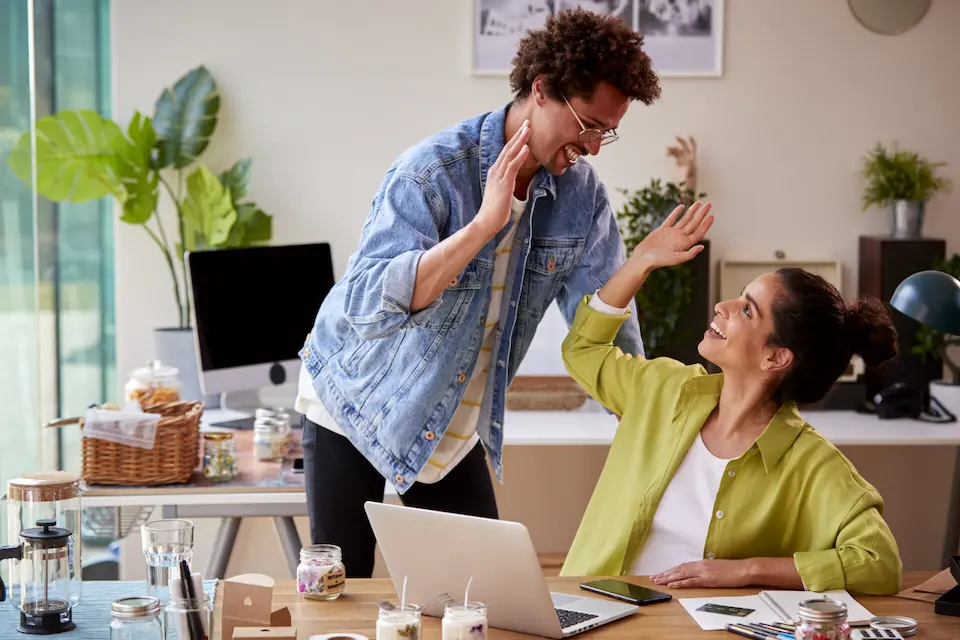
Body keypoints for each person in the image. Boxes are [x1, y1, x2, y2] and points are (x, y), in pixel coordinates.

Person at [296, 8, 662, 578]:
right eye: (588, 123)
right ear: (542, 90)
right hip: (353, 402)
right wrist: (483, 226)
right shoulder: (433, 171)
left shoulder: (581, 196)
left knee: (479, 594)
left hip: (449, 420)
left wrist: (645, 413)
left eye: (606, 131)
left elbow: (605, 319)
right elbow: (368, 303)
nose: (594, 145)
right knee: (344, 594)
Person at [559, 202, 903, 595]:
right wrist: (640, 262)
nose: (722, 307)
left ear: (776, 357)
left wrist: (747, 570)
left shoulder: (811, 464)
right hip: (593, 609)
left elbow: (880, 562)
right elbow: (582, 349)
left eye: (746, 309)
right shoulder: (665, 391)